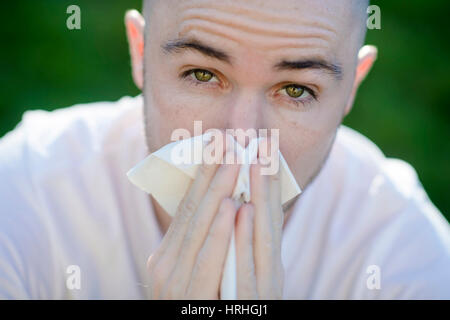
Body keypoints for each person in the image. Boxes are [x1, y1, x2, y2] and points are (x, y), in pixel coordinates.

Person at [0, 0, 448, 299]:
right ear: (140, 53)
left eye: (295, 89)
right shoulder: (27, 195)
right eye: (201, 74)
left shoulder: (402, 254)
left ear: (351, 87)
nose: (243, 140)